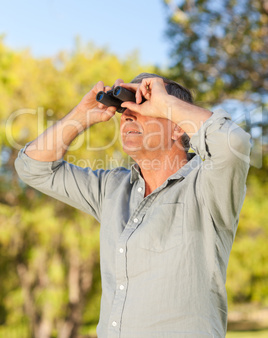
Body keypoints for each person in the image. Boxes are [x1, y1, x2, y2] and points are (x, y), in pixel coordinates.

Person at [15, 73, 251, 338]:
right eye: (125, 109)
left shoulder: (208, 186)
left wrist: (166, 103)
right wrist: (82, 115)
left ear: (177, 127)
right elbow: (32, 168)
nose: (127, 115)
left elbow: (234, 145)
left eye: (144, 106)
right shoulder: (112, 188)